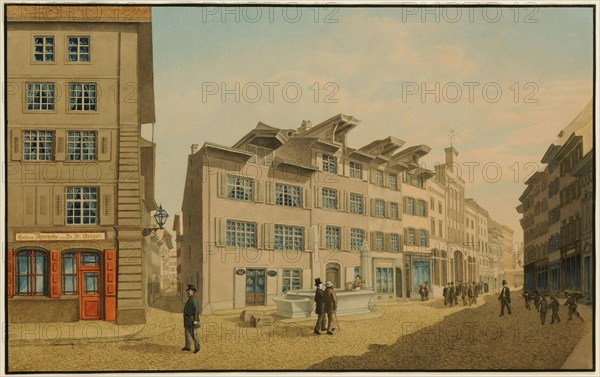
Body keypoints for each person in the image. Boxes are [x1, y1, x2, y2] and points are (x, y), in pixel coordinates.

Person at [182, 284, 200, 353]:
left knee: (193, 334)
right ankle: (187, 346)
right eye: (188, 290)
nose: (188, 292)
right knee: (187, 333)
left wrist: (195, 320)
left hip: (191, 320)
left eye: (189, 291)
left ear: (193, 292)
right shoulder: (190, 299)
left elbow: (196, 310)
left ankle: (197, 347)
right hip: (187, 320)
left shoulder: (193, 300)